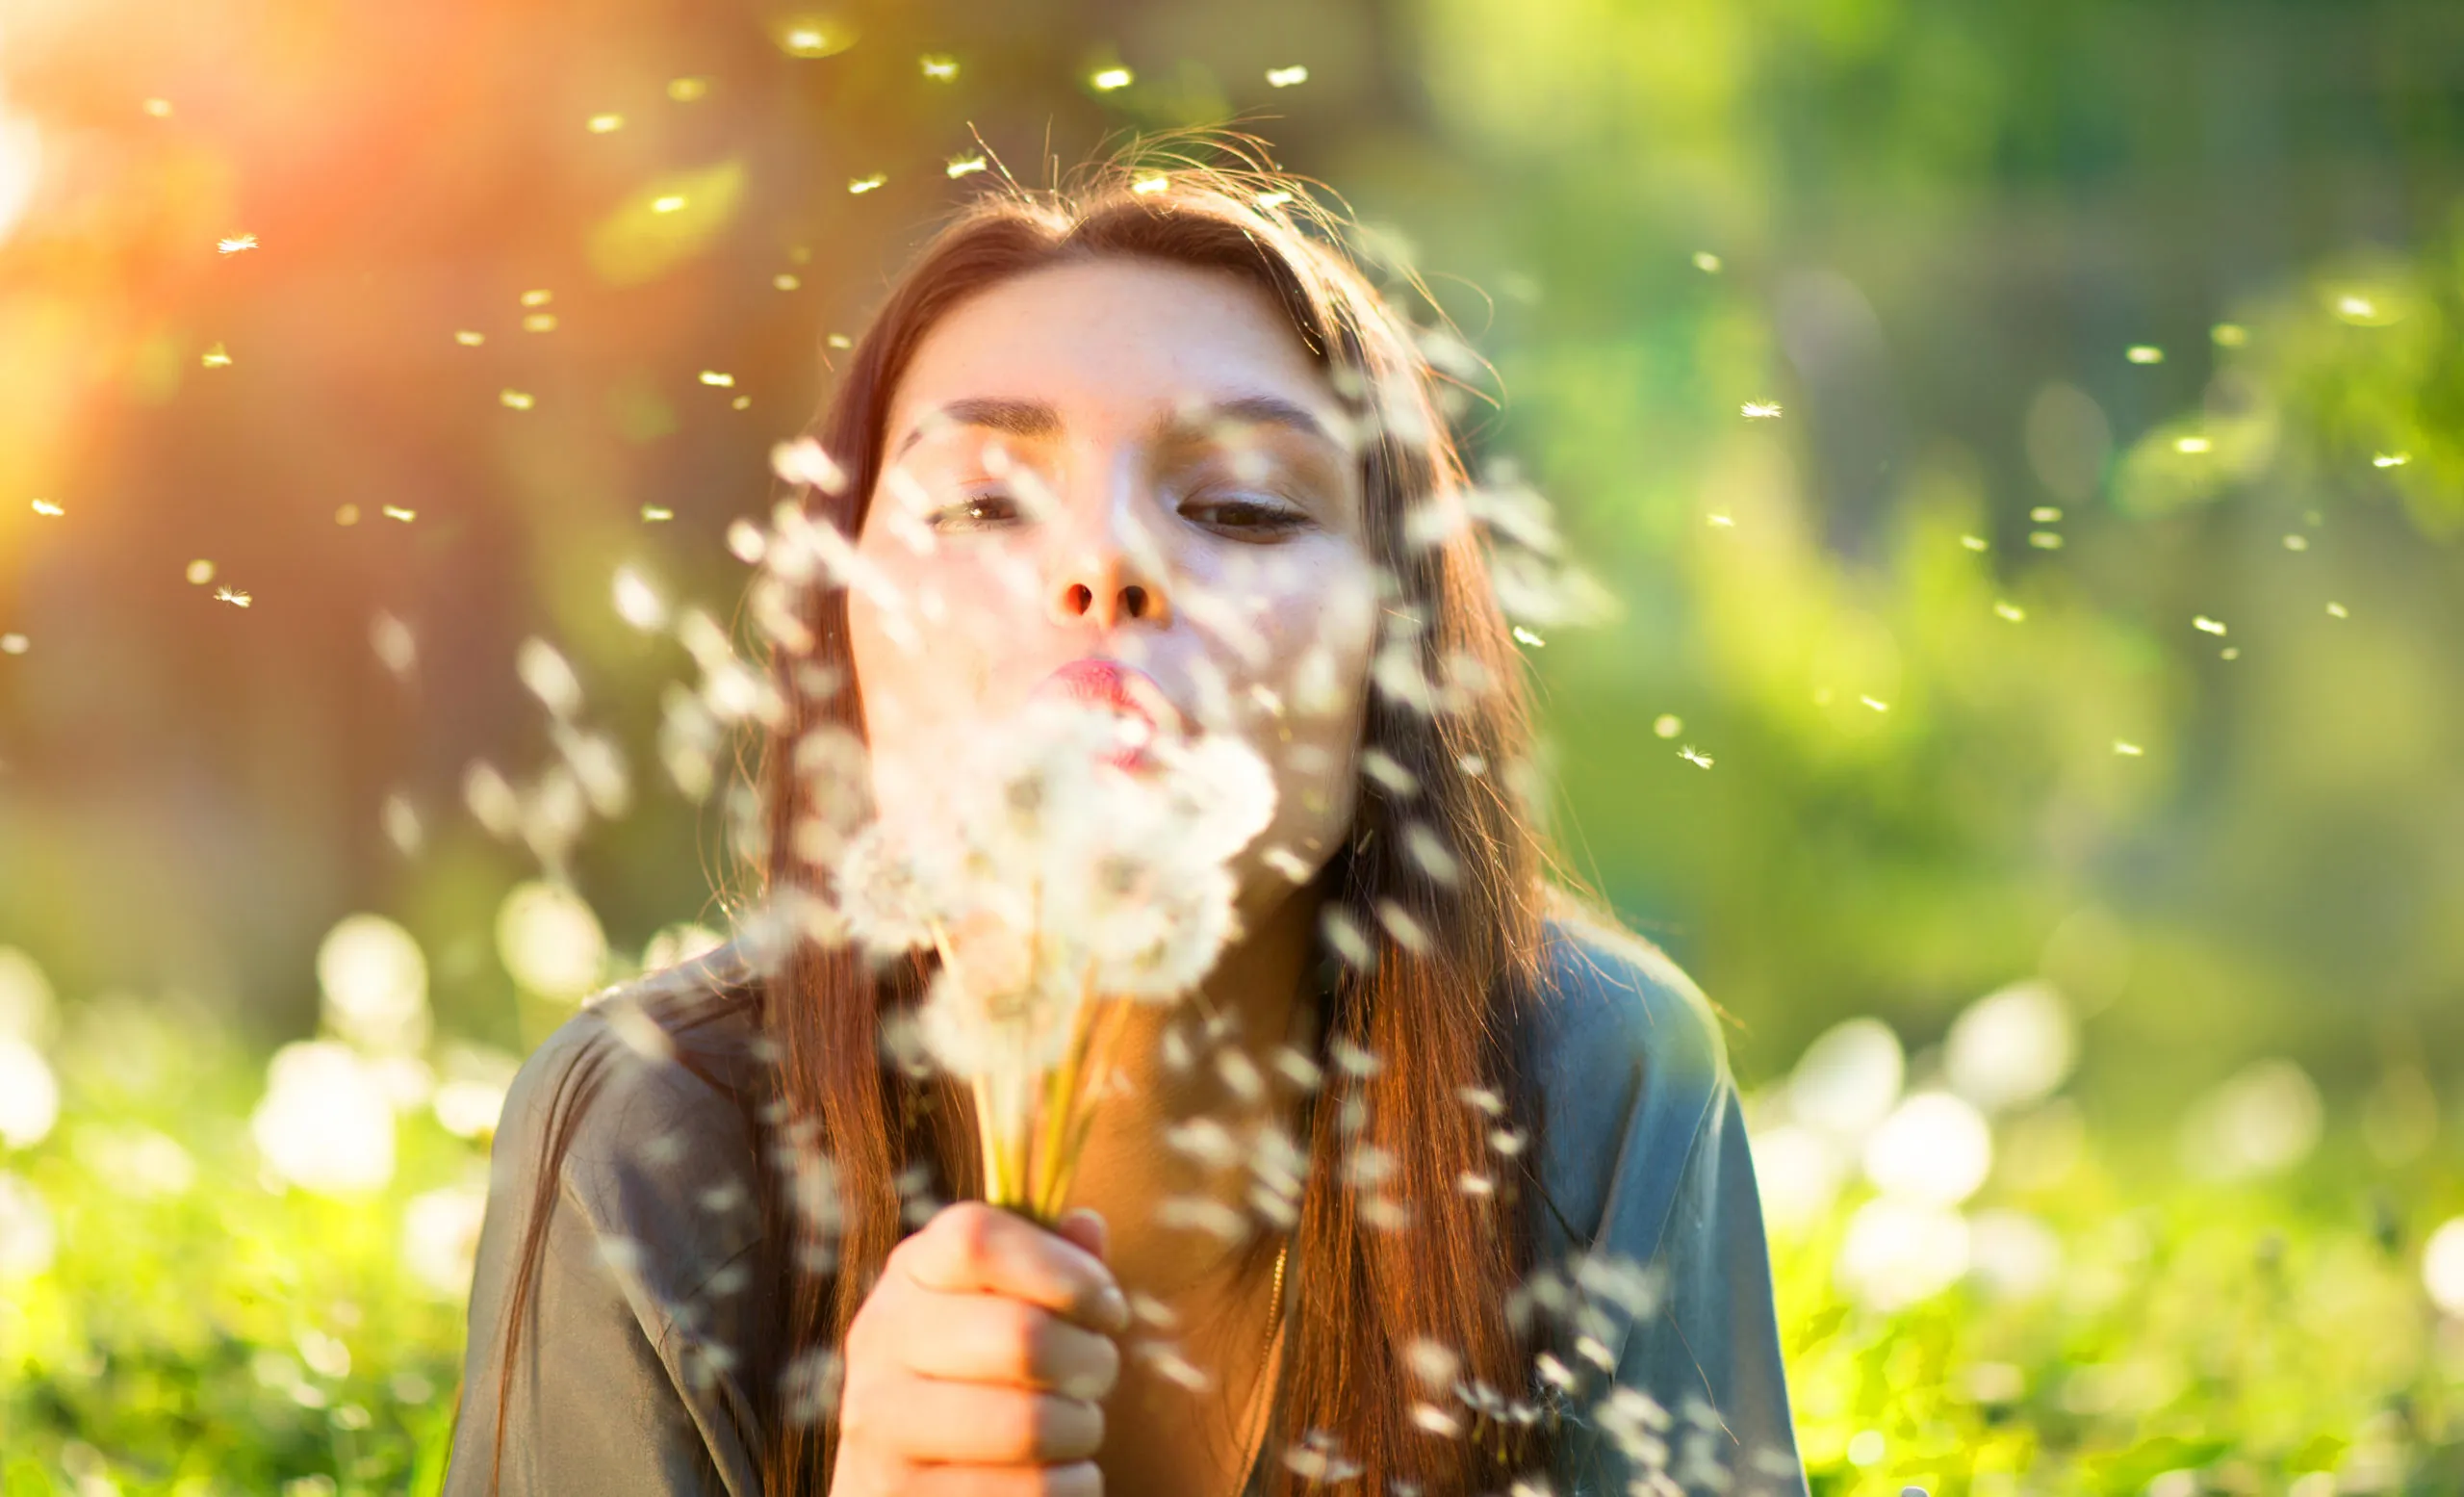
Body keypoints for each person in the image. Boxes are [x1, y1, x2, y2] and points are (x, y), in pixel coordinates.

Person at [444, 133, 1807, 1497]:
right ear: (840, 635)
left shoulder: (1587, 1089)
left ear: (1396, 655)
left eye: (1243, 507)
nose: (1107, 560)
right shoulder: (648, 1149)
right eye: (981, 501)